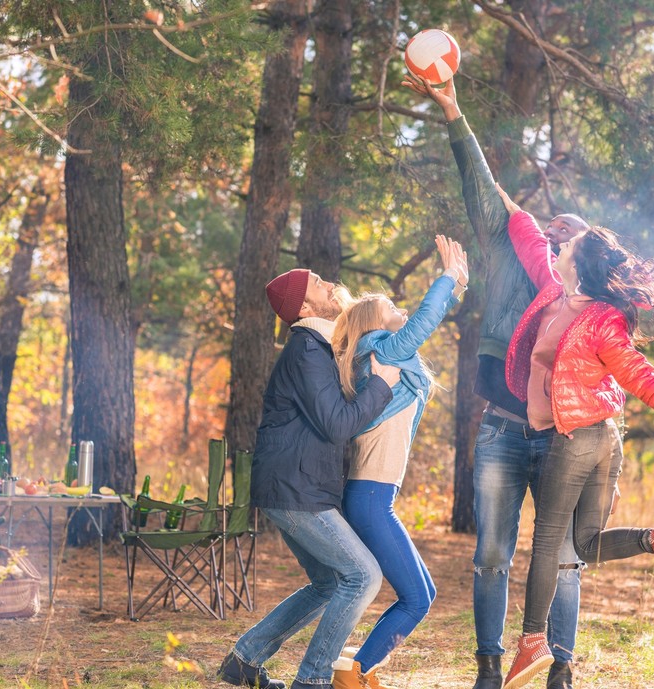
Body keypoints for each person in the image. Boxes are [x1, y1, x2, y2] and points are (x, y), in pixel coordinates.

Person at [495, 185, 654, 689]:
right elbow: (534, 241)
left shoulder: (602, 317)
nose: (559, 250)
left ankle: (533, 642)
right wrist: (509, 205)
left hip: (578, 438)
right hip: (601, 438)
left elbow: (634, 367)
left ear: (578, 261)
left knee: (548, 545)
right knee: (583, 544)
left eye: (568, 247)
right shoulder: (557, 294)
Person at [402, 73, 586, 689]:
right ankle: (487, 664)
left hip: (560, 436)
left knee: (561, 556)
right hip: (504, 428)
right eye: (554, 231)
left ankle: (559, 666)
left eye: (573, 239)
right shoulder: (511, 247)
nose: (559, 240)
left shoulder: (585, 296)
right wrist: (453, 111)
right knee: (491, 556)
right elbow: (480, 183)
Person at [218, 268, 401, 689]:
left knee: (328, 582)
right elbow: (338, 424)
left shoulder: (319, 347)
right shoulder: (306, 349)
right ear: (304, 306)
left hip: (297, 487)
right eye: (318, 284)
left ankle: (244, 660)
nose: (331, 285)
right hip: (294, 490)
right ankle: (313, 680)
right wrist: (382, 385)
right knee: (362, 576)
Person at [329, 235, 469, 689]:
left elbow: (421, 326)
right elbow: (423, 322)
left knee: (424, 593)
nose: (400, 310)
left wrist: (458, 284)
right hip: (370, 497)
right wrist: (447, 278)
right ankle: (356, 675)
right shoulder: (379, 349)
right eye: (392, 306)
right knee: (415, 598)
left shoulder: (385, 355)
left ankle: (360, 671)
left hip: (374, 495)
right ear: (375, 321)